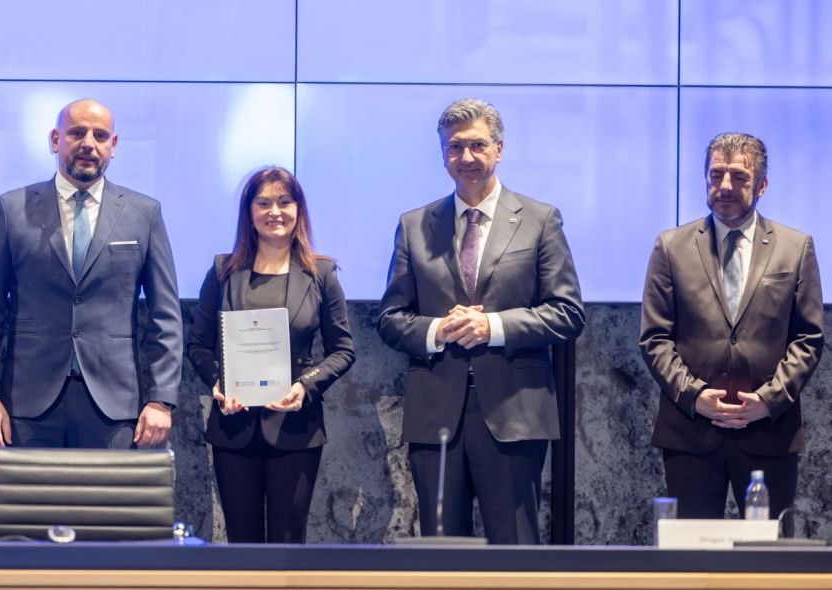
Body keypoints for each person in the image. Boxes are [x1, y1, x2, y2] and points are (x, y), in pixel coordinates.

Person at [377, 98, 584, 544]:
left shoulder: (540, 220)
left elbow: (567, 313)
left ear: (499, 148)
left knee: (515, 555)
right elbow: (391, 319)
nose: (466, 157)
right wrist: (437, 330)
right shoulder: (414, 225)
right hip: (436, 417)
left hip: (515, 414)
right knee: (440, 558)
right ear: (443, 154)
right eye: (454, 147)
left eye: (477, 145)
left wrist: (493, 327)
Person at [0, 99, 182, 450]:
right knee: (27, 492)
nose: (88, 143)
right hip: (27, 403)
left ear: (114, 145)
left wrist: (161, 400)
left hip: (113, 404)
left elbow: (166, 316)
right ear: (56, 140)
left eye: (100, 135)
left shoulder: (144, 214)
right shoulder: (11, 209)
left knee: (106, 492)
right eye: (77, 133)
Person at [640, 132, 823, 520]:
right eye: (716, 174)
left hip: (768, 431)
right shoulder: (671, 247)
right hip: (690, 431)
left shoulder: (796, 247)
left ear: (762, 185)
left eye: (739, 177)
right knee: (689, 551)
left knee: (769, 554)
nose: (725, 186)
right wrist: (695, 396)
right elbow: (655, 338)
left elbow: (808, 339)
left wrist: (769, 401)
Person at [187, 167, 355, 543]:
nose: (274, 211)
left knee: (288, 544)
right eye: (263, 203)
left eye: (284, 202)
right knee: (241, 544)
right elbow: (198, 345)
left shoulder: (321, 273)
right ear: (249, 213)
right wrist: (218, 383)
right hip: (233, 427)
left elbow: (343, 350)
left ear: (298, 210)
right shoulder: (223, 270)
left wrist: (305, 386)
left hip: (295, 428)